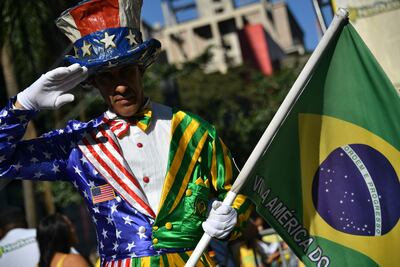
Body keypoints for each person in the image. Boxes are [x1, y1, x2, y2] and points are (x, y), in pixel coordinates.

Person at [0, 0, 251, 265]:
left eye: (126, 72)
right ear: (94, 83)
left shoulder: (192, 130)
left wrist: (233, 216)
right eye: (107, 76)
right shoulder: (78, 144)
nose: (119, 86)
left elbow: (237, 191)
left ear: (141, 70)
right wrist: (22, 105)